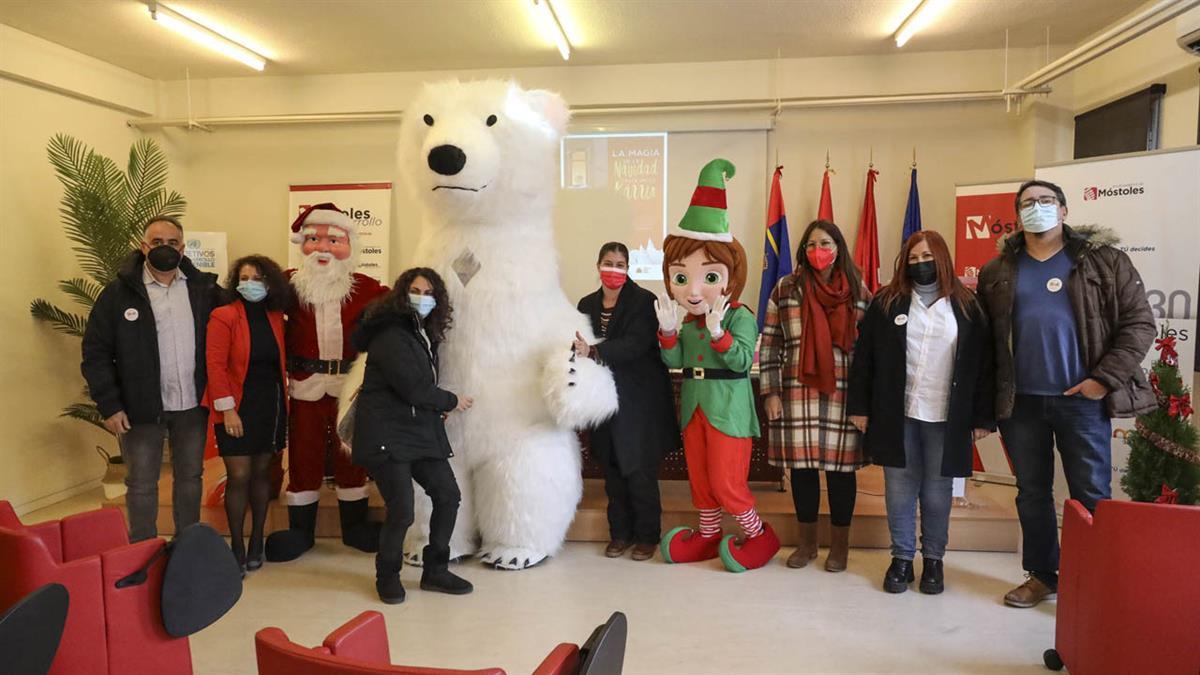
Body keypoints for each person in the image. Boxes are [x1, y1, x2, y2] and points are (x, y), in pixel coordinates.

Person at [977, 179, 1155, 608]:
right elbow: (985, 342)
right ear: (1017, 215)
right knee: (1032, 493)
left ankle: (1095, 581)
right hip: (1021, 403)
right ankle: (1042, 576)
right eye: (1027, 203)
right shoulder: (997, 271)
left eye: (1046, 201)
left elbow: (1139, 324)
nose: (1037, 207)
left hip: (1083, 401)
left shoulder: (1102, 261)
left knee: (1090, 493)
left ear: (1063, 210)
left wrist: (1103, 380)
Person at [847, 231, 995, 594]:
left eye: (926, 256)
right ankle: (901, 558)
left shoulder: (968, 306)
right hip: (897, 412)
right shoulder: (887, 302)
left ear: (942, 258)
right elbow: (864, 358)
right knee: (899, 487)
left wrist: (982, 417)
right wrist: (860, 408)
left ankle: (933, 560)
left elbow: (984, 365)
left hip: (947, 414)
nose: (920, 263)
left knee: (937, 490)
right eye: (912, 258)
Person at [656, 159, 781, 573]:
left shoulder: (739, 316)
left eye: (709, 277)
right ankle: (709, 534)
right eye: (681, 278)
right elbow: (674, 361)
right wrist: (669, 332)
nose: (693, 290)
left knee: (727, 482)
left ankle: (758, 535)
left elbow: (743, 360)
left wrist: (718, 332)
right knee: (701, 480)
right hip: (694, 406)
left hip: (728, 410)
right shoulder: (688, 321)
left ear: (729, 277)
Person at [81, 216, 220, 542]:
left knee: (190, 478)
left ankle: (187, 548)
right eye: (157, 242)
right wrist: (110, 405)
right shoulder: (118, 294)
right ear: (144, 247)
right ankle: (144, 551)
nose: (165, 248)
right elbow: (96, 352)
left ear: (182, 249)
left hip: (192, 405)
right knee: (141, 483)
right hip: (139, 408)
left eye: (172, 243)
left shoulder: (204, 290)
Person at [265, 203, 389, 562]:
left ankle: (355, 526)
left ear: (350, 246)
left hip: (349, 386)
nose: (323, 248)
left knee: (350, 452)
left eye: (334, 240)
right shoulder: (286, 286)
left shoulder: (368, 289)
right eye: (314, 240)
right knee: (304, 453)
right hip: (305, 384)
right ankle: (300, 531)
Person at [351, 267, 473, 604]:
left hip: (418, 431)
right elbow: (412, 387)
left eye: (429, 293)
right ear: (401, 295)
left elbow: (419, 388)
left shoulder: (422, 332)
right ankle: (387, 576)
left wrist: (436, 407)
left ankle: (436, 571)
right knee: (402, 510)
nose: (422, 298)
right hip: (386, 434)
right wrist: (451, 401)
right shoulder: (390, 334)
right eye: (415, 291)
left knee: (448, 495)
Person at [759, 219, 868, 572]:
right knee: (802, 470)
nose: (817, 251)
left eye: (824, 244)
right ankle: (807, 545)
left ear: (838, 248)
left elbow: (869, 352)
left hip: (843, 394)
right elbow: (770, 344)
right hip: (796, 392)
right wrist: (771, 393)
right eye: (810, 245)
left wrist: (865, 403)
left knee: (841, 472)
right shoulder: (786, 289)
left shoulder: (858, 290)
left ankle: (840, 547)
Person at [575, 242, 679, 561]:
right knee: (612, 471)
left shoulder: (643, 301)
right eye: (608, 263)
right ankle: (620, 534)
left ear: (628, 268)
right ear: (598, 266)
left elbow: (634, 344)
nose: (614, 270)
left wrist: (594, 351)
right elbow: (577, 340)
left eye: (620, 265)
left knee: (639, 471)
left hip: (639, 401)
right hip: (603, 399)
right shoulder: (586, 303)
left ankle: (647, 537)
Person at [204, 255, 291, 573]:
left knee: (261, 474)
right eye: (244, 278)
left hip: (270, 405)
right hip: (236, 406)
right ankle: (237, 545)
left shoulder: (275, 316)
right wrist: (227, 410)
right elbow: (215, 365)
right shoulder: (223, 315)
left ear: (270, 283)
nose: (250, 284)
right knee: (239, 476)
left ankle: (257, 541)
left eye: (257, 278)